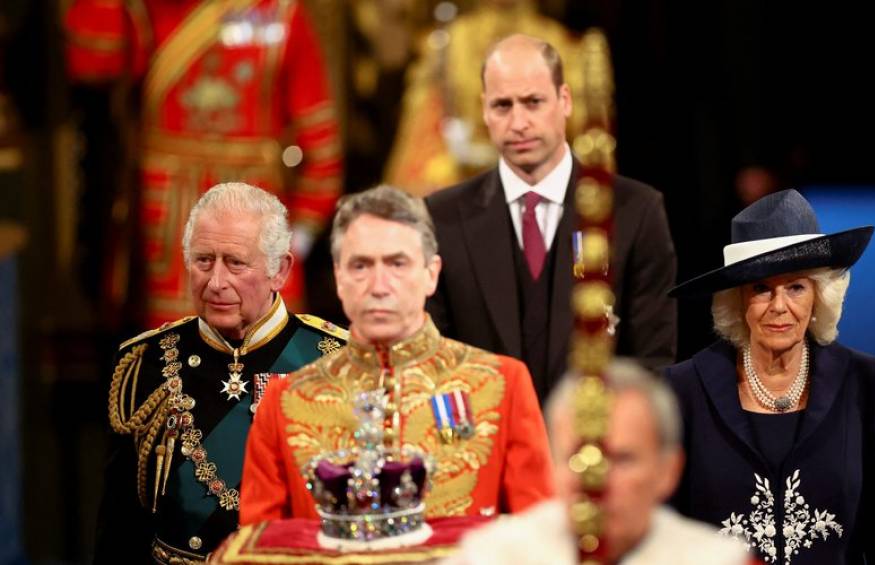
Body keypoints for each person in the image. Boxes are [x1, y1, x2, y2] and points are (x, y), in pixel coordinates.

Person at [239, 185, 554, 524]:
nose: (379, 286)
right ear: (339, 278)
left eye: (397, 264)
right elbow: (260, 545)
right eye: (360, 266)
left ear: (431, 274)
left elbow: (540, 537)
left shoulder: (502, 384)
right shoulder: (286, 401)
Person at [94, 183, 348, 563]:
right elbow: (120, 529)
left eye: (235, 262)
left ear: (280, 270)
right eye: (203, 260)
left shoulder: (336, 363)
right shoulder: (144, 363)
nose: (215, 283)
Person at [426, 34, 677, 406]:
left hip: (596, 447)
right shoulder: (440, 219)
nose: (518, 122)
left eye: (533, 102)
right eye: (502, 105)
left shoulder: (636, 211)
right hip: (485, 446)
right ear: (483, 109)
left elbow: (652, 363)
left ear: (565, 100)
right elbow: (434, 364)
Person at [665, 189, 875, 564]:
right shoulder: (686, 389)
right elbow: (668, 535)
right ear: (738, 300)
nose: (779, 307)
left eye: (795, 287)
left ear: (818, 296)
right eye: (761, 289)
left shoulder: (862, 381)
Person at [64, 0, 343, 328]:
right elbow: (91, 61)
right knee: (175, 355)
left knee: (264, 356)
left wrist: (298, 238)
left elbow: (321, 142)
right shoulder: (146, 11)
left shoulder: (279, 12)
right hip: (168, 224)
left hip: (255, 218)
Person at [447, 359, 748, 565]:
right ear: (551, 465)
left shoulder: (719, 559)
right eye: (576, 456)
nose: (594, 478)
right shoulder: (489, 557)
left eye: (621, 459)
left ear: (668, 471)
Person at [384, 0, 614, 196]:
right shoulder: (448, 45)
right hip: (465, 186)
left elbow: (584, 144)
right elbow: (423, 143)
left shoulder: (566, 47)